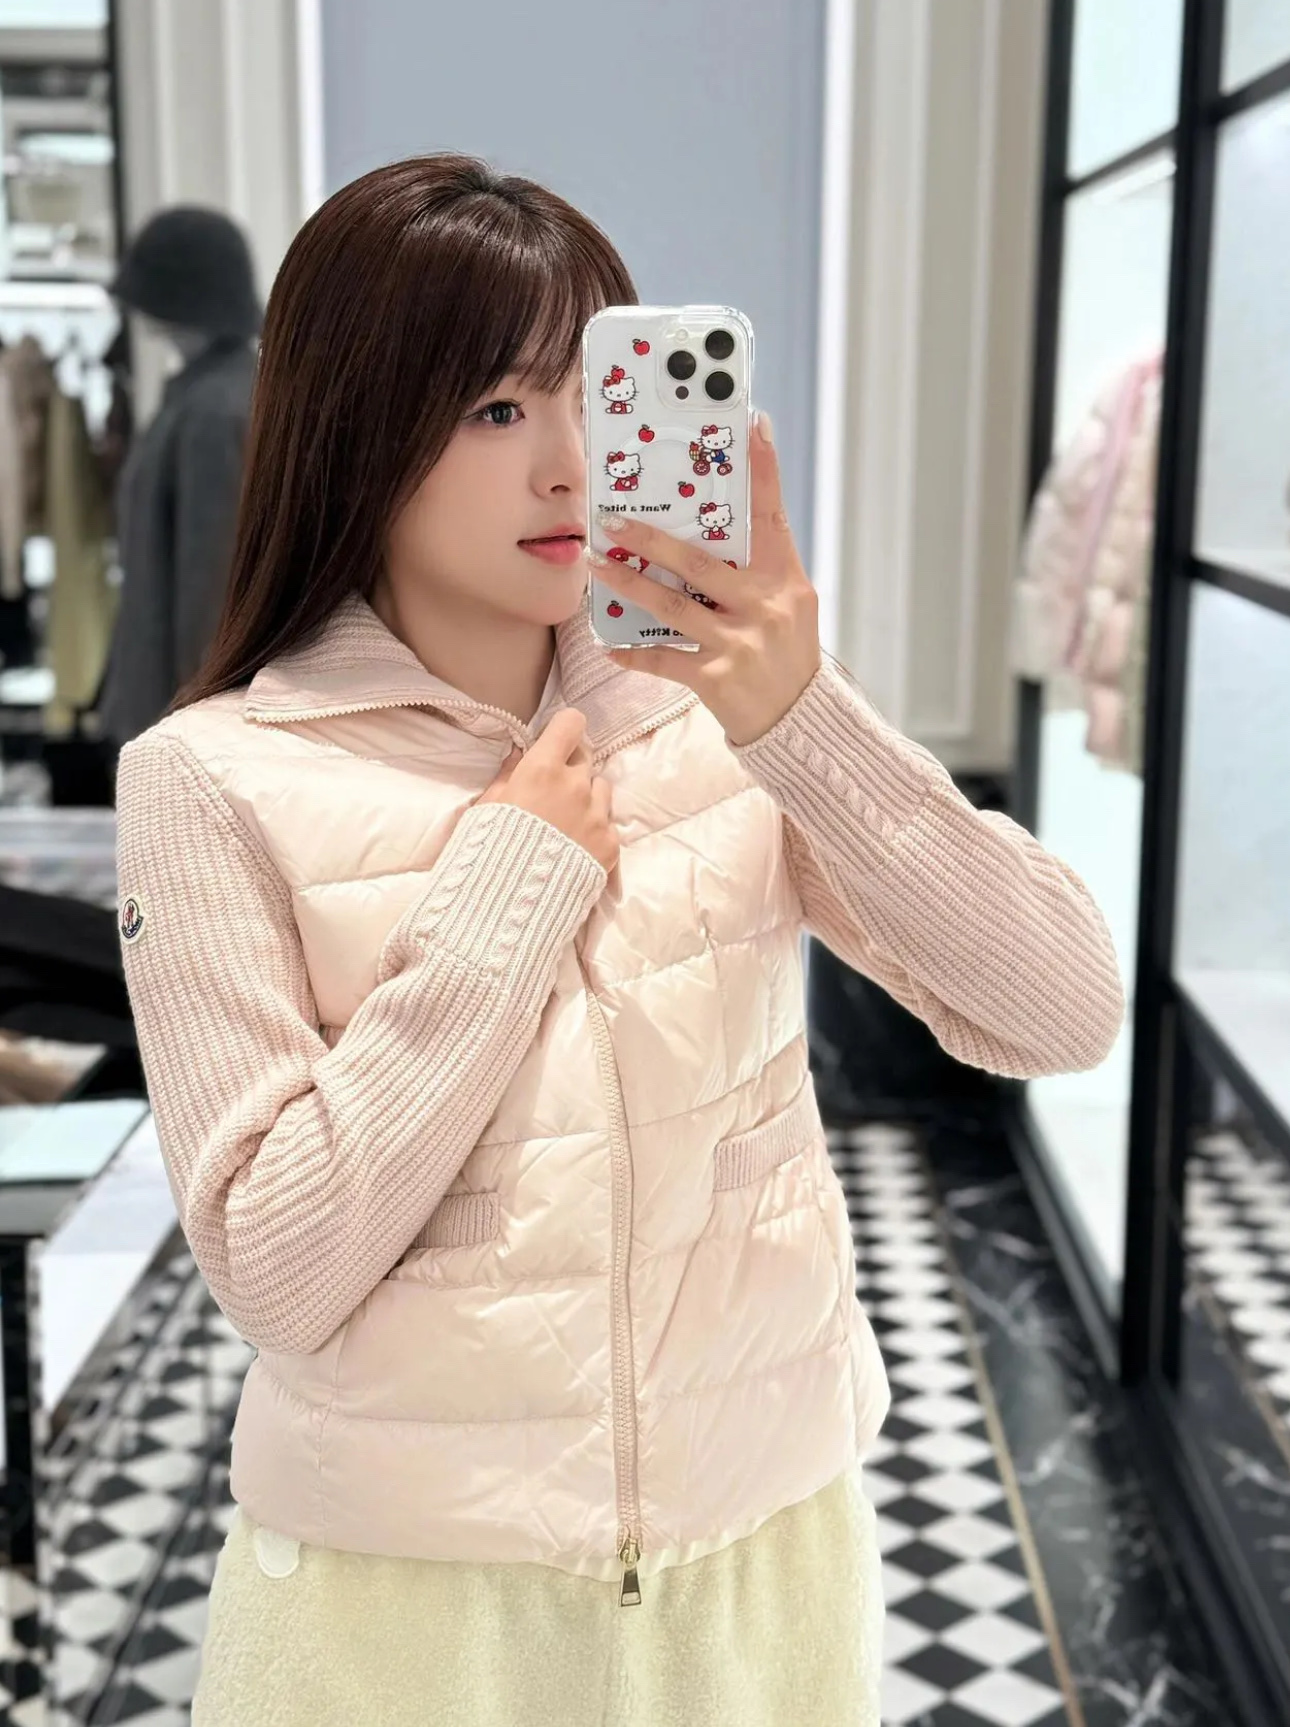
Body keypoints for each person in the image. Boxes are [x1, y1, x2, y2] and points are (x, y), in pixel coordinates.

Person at [112, 153, 1126, 1726]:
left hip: (754, 1571)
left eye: (598, 392)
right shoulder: (207, 780)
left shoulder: (721, 716)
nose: (572, 463)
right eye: (495, 408)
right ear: (356, 427)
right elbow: (275, 1267)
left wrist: (802, 719)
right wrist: (511, 884)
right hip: (401, 1612)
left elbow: (1062, 1008)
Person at [96, 206, 261, 752]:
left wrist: (199, 720)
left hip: (179, 715)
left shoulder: (215, 410)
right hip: (170, 701)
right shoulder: (204, 396)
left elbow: (210, 580)